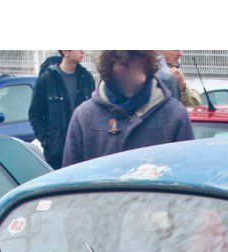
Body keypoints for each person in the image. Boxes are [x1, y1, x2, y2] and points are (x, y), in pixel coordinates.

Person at [62, 50, 193, 167]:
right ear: (110, 69)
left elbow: (186, 177)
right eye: (125, 66)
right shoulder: (85, 116)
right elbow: (68, 183)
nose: (135, 77)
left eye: (137, 66)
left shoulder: (174, 115)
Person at [28, 50, 95, 169]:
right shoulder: (46, 80)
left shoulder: (87, 78)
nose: (83, 51)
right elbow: (35, 115)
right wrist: (48, 142)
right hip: (57, 155)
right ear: (66, 51)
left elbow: (94, 112)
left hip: (84, 151)